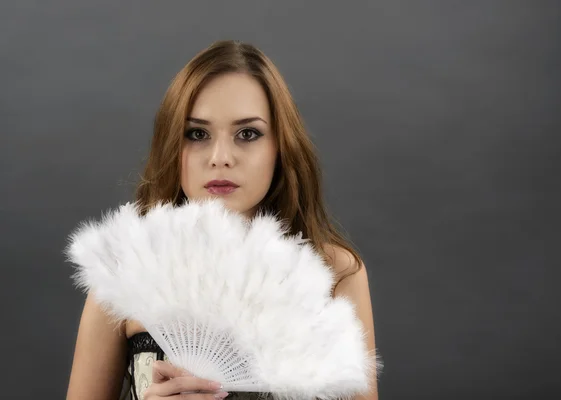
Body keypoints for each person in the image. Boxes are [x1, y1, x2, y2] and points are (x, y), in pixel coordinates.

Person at [65, 40, 379, 400]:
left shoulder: (337, 273)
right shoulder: (123, 273)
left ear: (280, 146)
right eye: (197, 134)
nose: (221, 157)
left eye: (248, 134)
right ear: (173, 144)